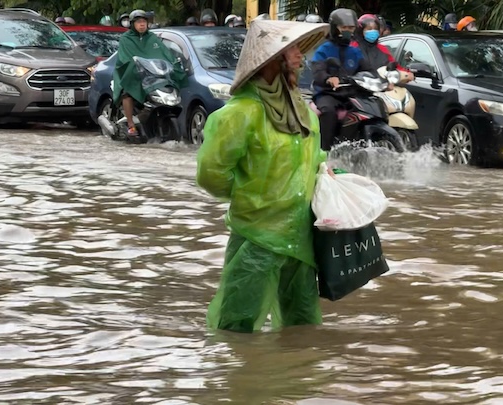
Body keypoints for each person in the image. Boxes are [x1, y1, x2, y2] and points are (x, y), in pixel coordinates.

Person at [196, 19, 330, 333]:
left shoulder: (302, 111)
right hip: (257, 237)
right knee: (236, 327)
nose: (300, 57)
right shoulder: (239, 114)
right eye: (292, 49)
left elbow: (314, 159)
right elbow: (211, 174)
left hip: (301, 237)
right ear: (272, 59)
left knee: (303, 326)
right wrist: (254, 197)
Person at [112, 9, 186, 137]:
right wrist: (133, 64)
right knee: (127, 92)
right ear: (132, 24)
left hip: (151, 75)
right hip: (131, 74)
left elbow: (165, 54)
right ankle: (131, 125)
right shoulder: (126, 39)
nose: (142, 24)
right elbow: (125, 58)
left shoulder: (153, 38)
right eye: (138, 22)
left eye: (144, 22)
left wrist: (174, 64)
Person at [311, 8, 373, 150]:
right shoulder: (324, 49)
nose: (347, 31)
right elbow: (318, 71)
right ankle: (323, 152)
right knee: (329, 111)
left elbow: (368, 70)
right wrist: (328, 78)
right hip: (328, 94)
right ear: (334, 28)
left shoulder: (355, 51)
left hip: (349, 94)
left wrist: (383, 80)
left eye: (350, 28)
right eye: (343, 27)